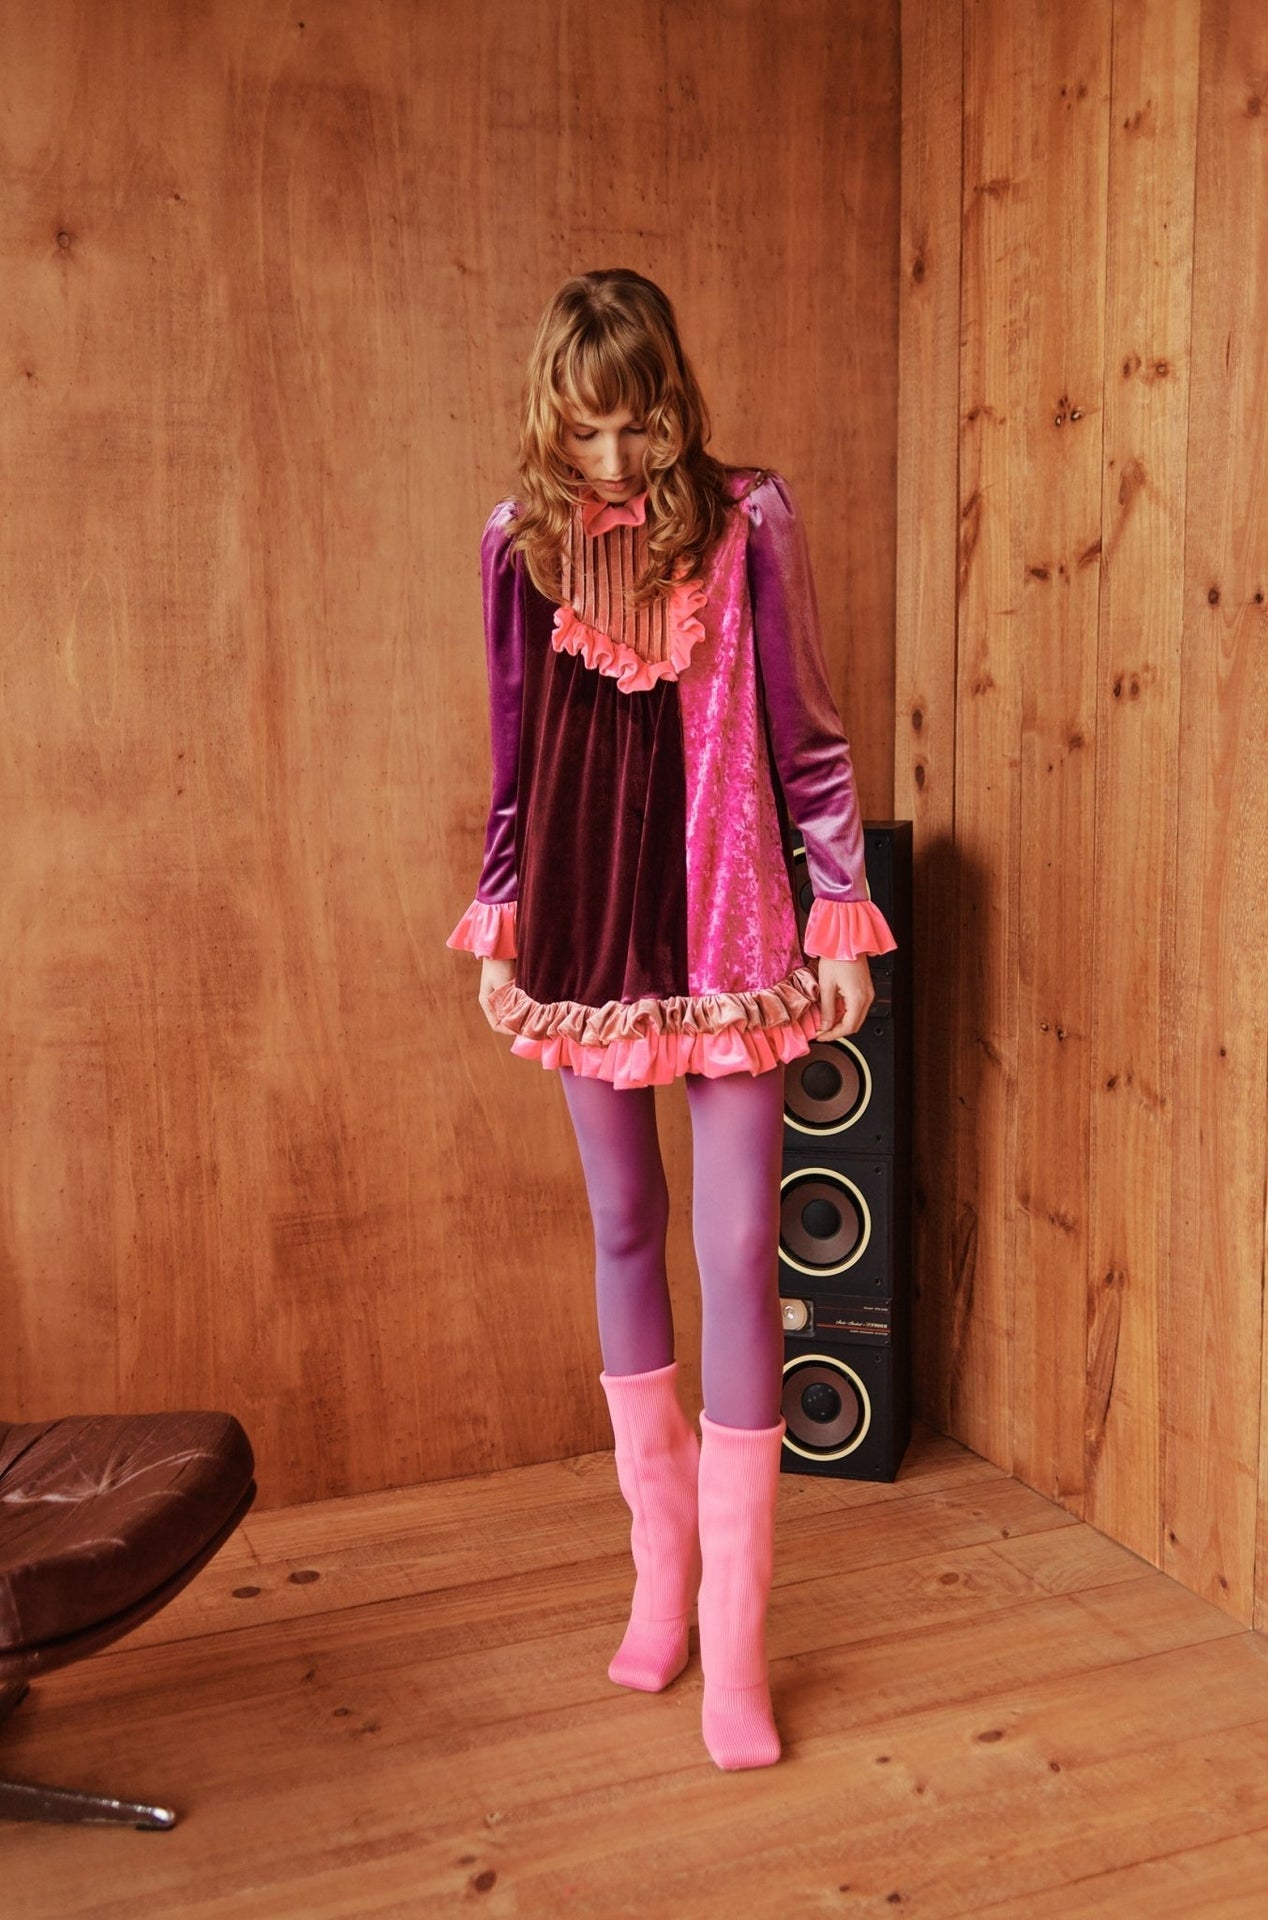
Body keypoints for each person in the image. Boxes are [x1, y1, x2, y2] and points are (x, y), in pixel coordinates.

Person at [446, 269, 897, 1771]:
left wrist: (839, 907)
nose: (615, 459)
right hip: (585, 937)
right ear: (550, 420)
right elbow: (514, 759)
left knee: (739, 1246)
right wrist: (501, 916)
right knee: (624, 1228)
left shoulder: (750, 518)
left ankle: (737, 1640)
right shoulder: (518, 547)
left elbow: (809, 738)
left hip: (733, 927)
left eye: (637, 427)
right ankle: (661, 1579)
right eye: (586, 433)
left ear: (674, 405)